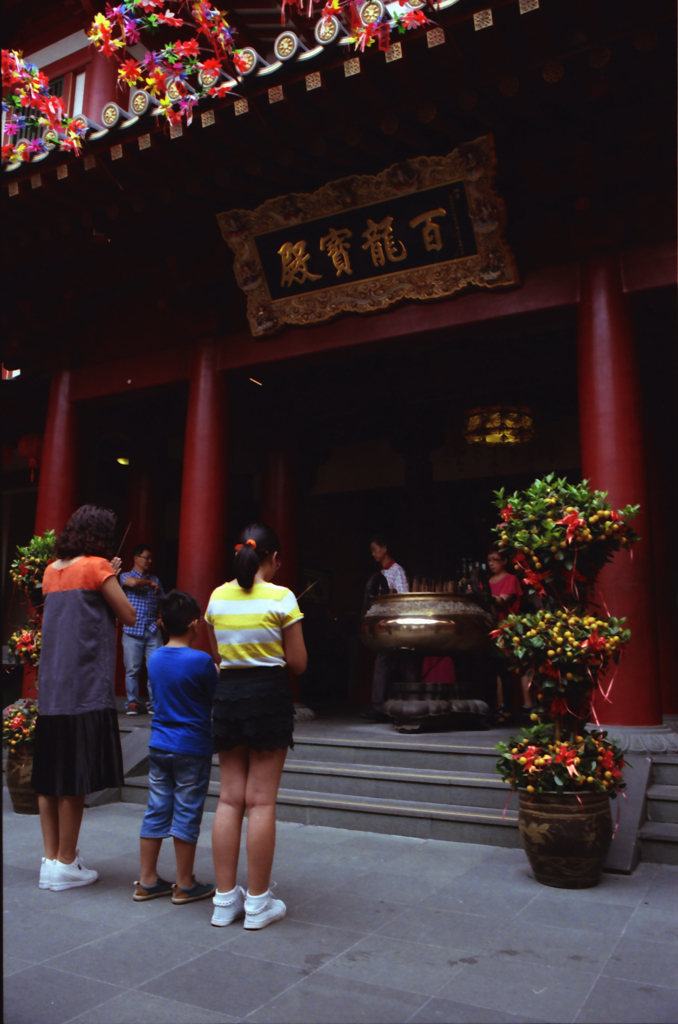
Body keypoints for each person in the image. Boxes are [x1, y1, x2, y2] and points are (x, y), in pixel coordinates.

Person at [205, 523, 307, 931]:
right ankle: (259, 902)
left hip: (228, 698)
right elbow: (298, 663)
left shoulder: (216, 597)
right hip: (268, 698)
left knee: (229, 799)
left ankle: (224, 900)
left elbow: (218, 656)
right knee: (261, 801)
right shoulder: (282, 597)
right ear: (275, 558)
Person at [32, 505, 136, 891]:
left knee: (48, 777)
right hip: (84, 686)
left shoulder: (51, 570)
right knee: (73, 778)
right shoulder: (98, 567)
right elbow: (128, 615)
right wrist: (115, 574)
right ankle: (67, 860)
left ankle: (49, 860)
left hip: (53, 687)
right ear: (99, 536)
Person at [134, 590, 218, 905]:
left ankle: (148, 880)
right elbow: (215, 692)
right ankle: (184, 883)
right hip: (192, 746)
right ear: (195, 624)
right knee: (186, 810)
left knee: (156, 808)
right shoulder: (201, 660)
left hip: (159, 744)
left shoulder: (155, 658)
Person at [363, 534, 408, 719]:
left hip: (394, 626)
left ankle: (379, 706)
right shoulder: (380, 573)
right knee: (389, 665)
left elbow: (403, 597)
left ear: (384, 549)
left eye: (375, 549)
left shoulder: (397, 571)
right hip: (382, 626)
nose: (373, 554)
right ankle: (387, 705)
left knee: (385, 663)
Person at [120, 544, 165, 715]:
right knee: (132, 669)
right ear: (136, 558)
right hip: (133, 630)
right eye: (146, 557)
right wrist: (148, 583)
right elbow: (133, 583)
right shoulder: (125, 576)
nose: (149, 561)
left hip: (153, 629)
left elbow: (161, 599)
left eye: (150, 558)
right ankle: (133, 703)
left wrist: (160, 618)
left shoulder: (156, 580)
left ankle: (154, 703)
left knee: (155, 668)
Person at [486, 548, 522, 725]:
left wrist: (484, 595)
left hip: (503, 629)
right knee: (491, 671)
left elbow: (502, 600)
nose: (491, 563)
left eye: (496, 560)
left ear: (505, 561)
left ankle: (508, 710)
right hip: (488, 628)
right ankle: (494, 708)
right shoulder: (487, 581)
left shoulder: (510, 579)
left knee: (504, 670)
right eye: (489, 560)